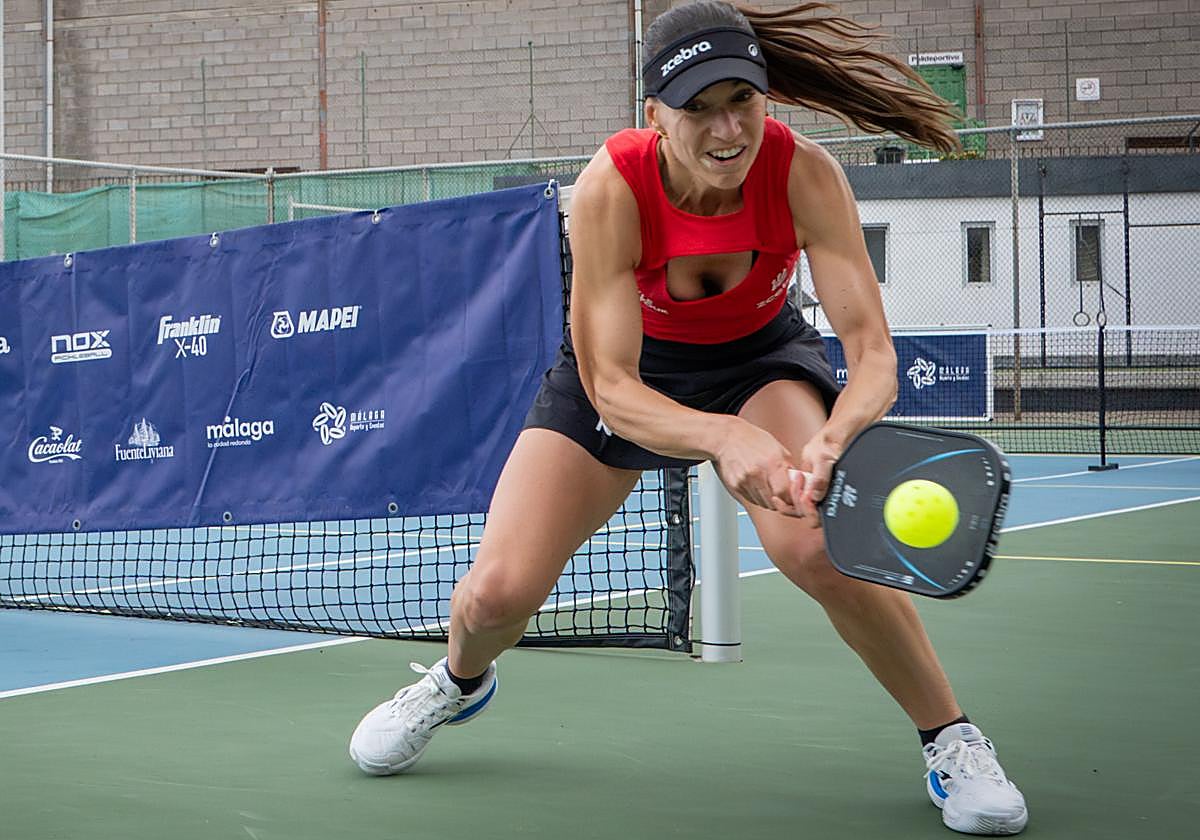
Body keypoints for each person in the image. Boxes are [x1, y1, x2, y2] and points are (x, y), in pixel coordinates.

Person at [349, 1, 1028, 835]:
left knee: (818, 549)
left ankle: (952, 738)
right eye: (697, 107)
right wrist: (720, 437)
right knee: (495, 597)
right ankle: (457, 682)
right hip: (632, 378)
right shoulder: (612, 187)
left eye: (740, 100)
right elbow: (609, 384)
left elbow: (873, 354)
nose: (725, 128)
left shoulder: (803, 172)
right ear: (654, 116)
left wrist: (833, 435)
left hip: (758, 361)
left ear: (765, 102)